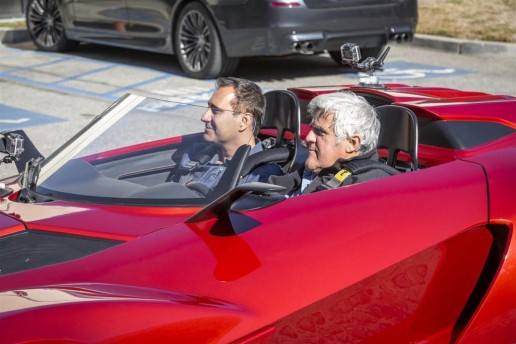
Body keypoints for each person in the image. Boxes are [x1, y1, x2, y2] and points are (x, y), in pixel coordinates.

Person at [269, 91, 399, 195]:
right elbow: (269, 189)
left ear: (352, 143)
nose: (309, 137)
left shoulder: (366, 187)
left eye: (320, 132)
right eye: (312, 129)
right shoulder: (321, 164)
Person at [176, 77, 282, 195]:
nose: (204, 117)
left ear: (244, 121)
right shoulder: (195, 153)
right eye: (208, 108)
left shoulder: (259, 176)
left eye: (215, 111)